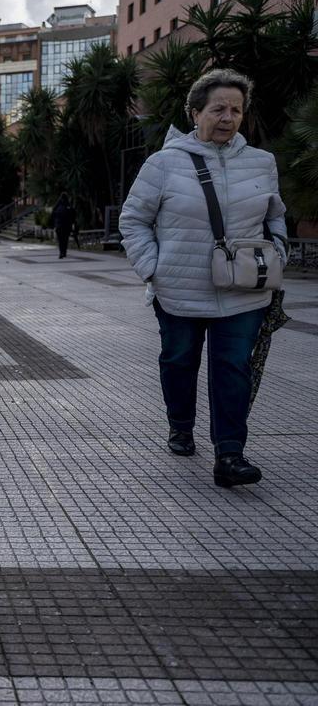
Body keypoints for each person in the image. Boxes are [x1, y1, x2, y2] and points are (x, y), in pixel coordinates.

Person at [119, 69, 287, 488]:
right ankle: (180, 425)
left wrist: (278, 251)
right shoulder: (163, 163)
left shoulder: (262, 163)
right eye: (218, 109)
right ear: (195, 112)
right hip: (180, 289)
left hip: (244, 290)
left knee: (232, 367)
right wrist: (153, 268)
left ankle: (230, 453)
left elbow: (275, 216)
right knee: (179, 361)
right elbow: (134, 219)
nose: (228, 117)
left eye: (236, 110)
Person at [51, 193, 75, 258]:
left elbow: (53, 215)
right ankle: (64, 252)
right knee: (65, 240)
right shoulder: (69, 206)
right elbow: (72, 216)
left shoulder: (57, 206)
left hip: (59, 226)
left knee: (60, 240)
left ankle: (61, 252)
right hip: (67, 226)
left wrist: (54, 225)